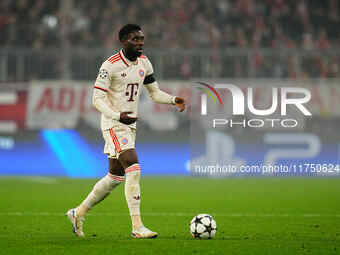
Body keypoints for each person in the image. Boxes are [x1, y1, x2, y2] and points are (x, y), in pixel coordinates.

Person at [66, 24, 185, 239]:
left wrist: (173, 100)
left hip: (130, 125)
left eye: (141, 38)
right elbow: (97, 99)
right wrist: (117, 115)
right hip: (114, 124)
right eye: (134, 39)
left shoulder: (144, 63)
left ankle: (78, 212)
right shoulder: (109, 66)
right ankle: (137, 227)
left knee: (115, 176)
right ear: (123, 41)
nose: (139, 42)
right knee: (134, 166)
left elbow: (154, 93)